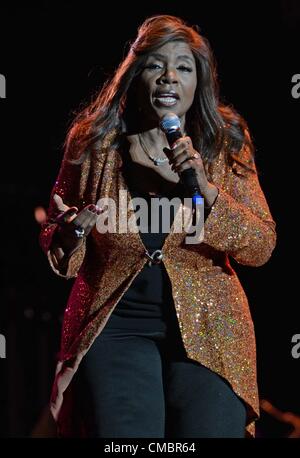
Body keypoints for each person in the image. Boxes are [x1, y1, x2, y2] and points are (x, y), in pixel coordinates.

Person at [40, 15, 276, 438]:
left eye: (183, 67)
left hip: (211, 329)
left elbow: (261, 245)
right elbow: (61, 249)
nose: (169, 77)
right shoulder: (94, 141)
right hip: (116, 326)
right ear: (136, 74)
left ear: (198, 82)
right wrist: (71, 230)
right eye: (155, 65)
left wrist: (207, 191)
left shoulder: (224, 142)